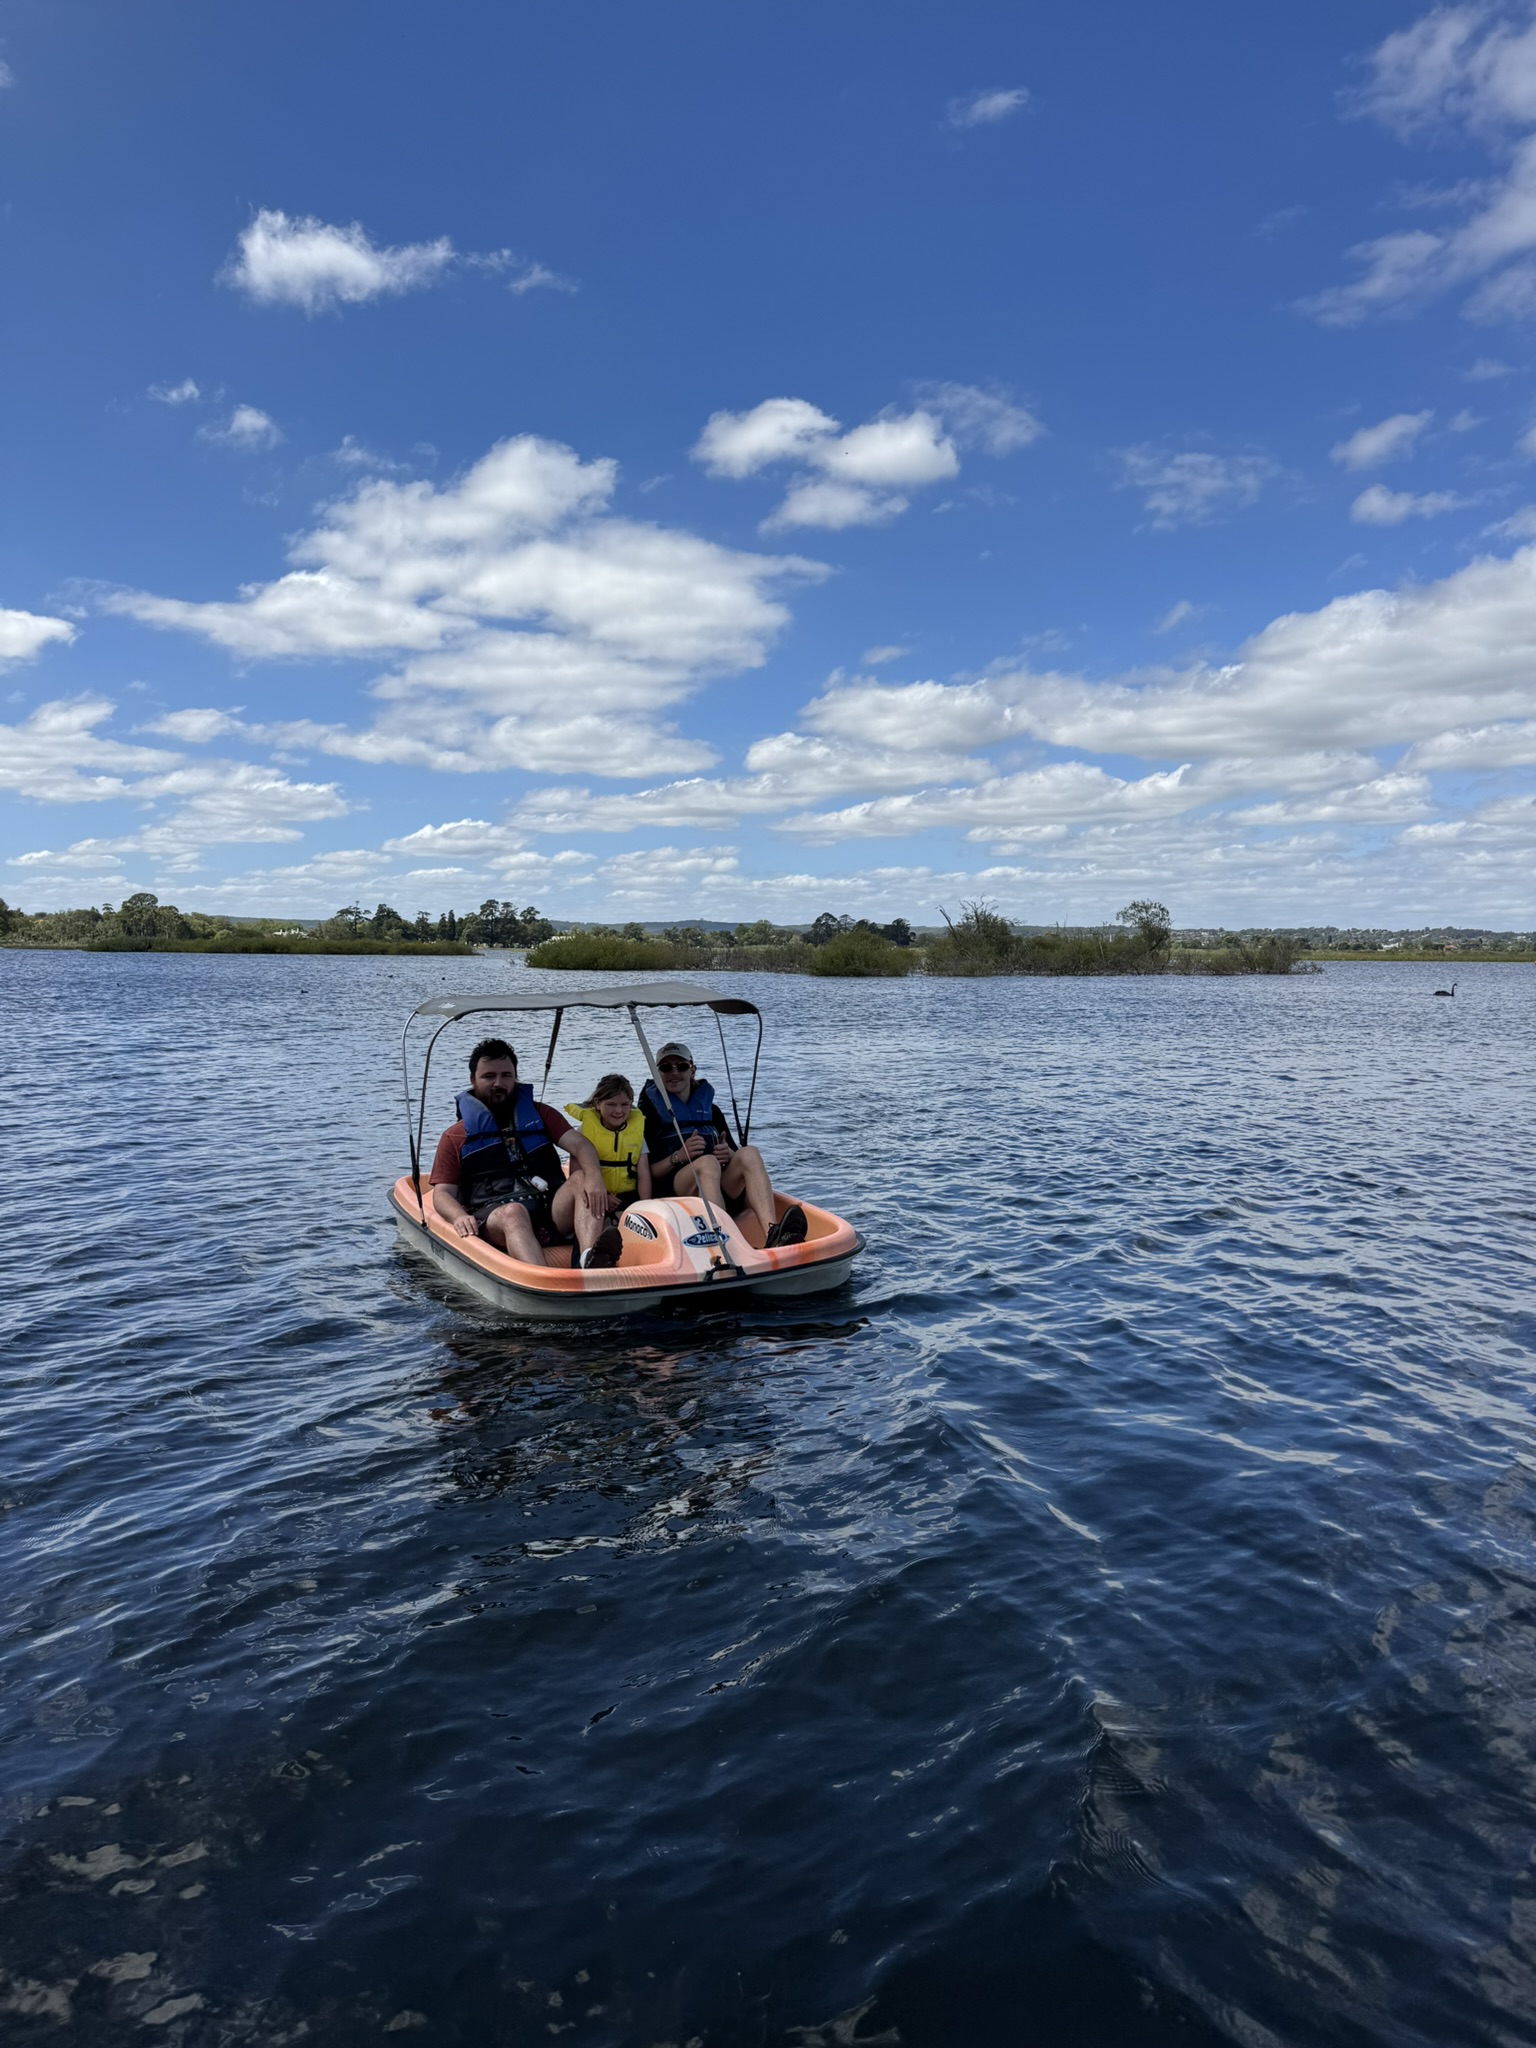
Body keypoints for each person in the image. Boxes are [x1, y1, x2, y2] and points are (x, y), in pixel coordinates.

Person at [430, 1038, 621, 1269]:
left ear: (515, 1077)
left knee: (581, 1179)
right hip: (496, 1217)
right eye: (489, 1076)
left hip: (549, 1211)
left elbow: (581, 1146)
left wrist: (594, 1178)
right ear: (473, 1080)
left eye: (506, 1075)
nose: (498, 1083)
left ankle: (590, 1257)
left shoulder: (541, 1114)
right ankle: (541, 1280)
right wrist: (458, 1216)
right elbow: (442, 1193)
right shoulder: (455, 1137)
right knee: (514, 1212)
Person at [640, 1040, 806, 1247]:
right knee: (708, 1163)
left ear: (692, 1070)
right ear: (657, 1074)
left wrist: (728, 1153)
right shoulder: (647, 1115)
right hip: (675, 1190)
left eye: (681, 1066)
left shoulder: (712, 1111)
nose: (674, 1073)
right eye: (666, 1068)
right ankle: (725, 1245)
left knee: (749, 1153)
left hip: (718, 1185)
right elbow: (645, 1173)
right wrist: (678, 1157)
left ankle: (773, 1233)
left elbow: (736, 1155)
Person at [562, 1073, 652, 1215]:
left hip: (628, 1197)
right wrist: (604, 1197)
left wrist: (645, 1207)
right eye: (611, 1104)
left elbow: (643, 1173)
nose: (618, 1111)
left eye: (624, 1105)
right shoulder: (584, 1133)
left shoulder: (636, 1133)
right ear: (598, 1104)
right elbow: (577, 1175)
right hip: (596, 1195)